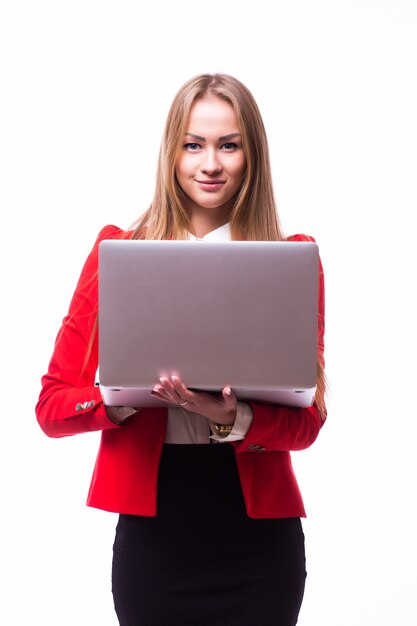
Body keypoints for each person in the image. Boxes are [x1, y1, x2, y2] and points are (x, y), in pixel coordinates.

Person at [36, 73, 326, 626]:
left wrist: (234, 417)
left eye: (228, 145)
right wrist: (124, 399)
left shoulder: (291, 259)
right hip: (156, 538)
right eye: (194, 144)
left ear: (252, 155)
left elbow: (308, 423)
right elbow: (52, 407)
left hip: (259, 544)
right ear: (173, 152)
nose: (210, 163)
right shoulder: (116, 254)